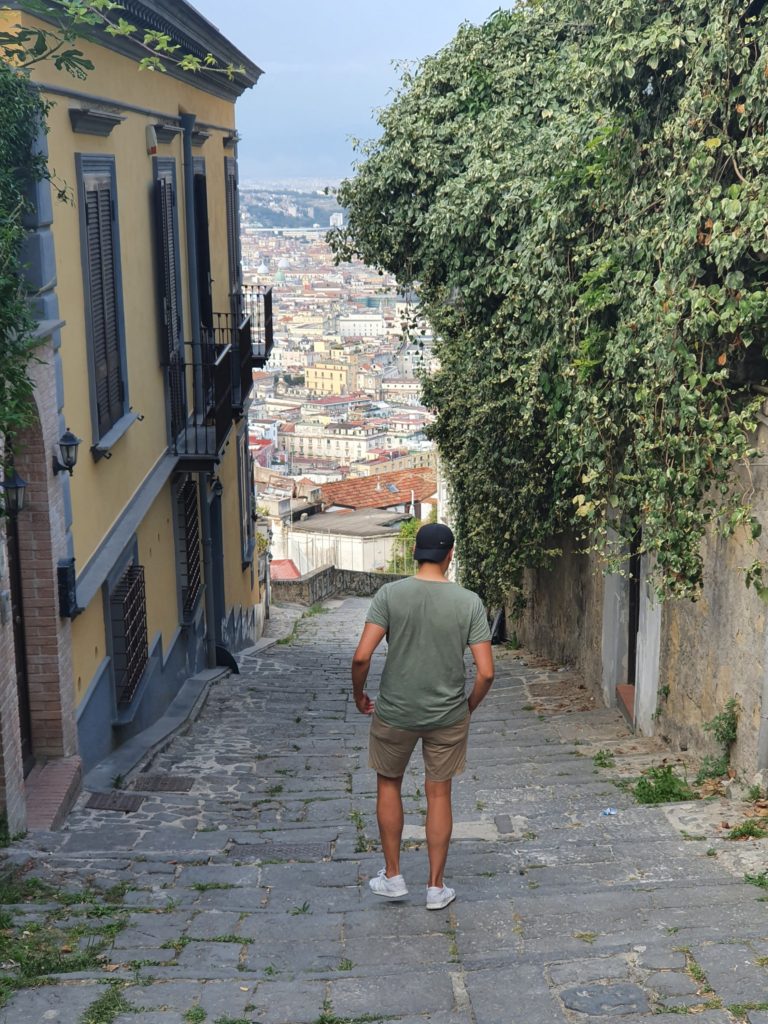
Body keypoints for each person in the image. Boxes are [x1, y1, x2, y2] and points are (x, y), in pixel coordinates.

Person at [351, 522, 494, 910]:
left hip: (395, 711)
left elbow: (362, 655)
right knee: (439, 792)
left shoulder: (389, 594)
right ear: (450, 555)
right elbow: (486, 672)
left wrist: (359, 693)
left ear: (416, 553)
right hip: (447, 715)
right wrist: (467, 707)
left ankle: (394, 876)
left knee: (388, 785)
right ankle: (435, 886)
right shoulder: (469, 603)